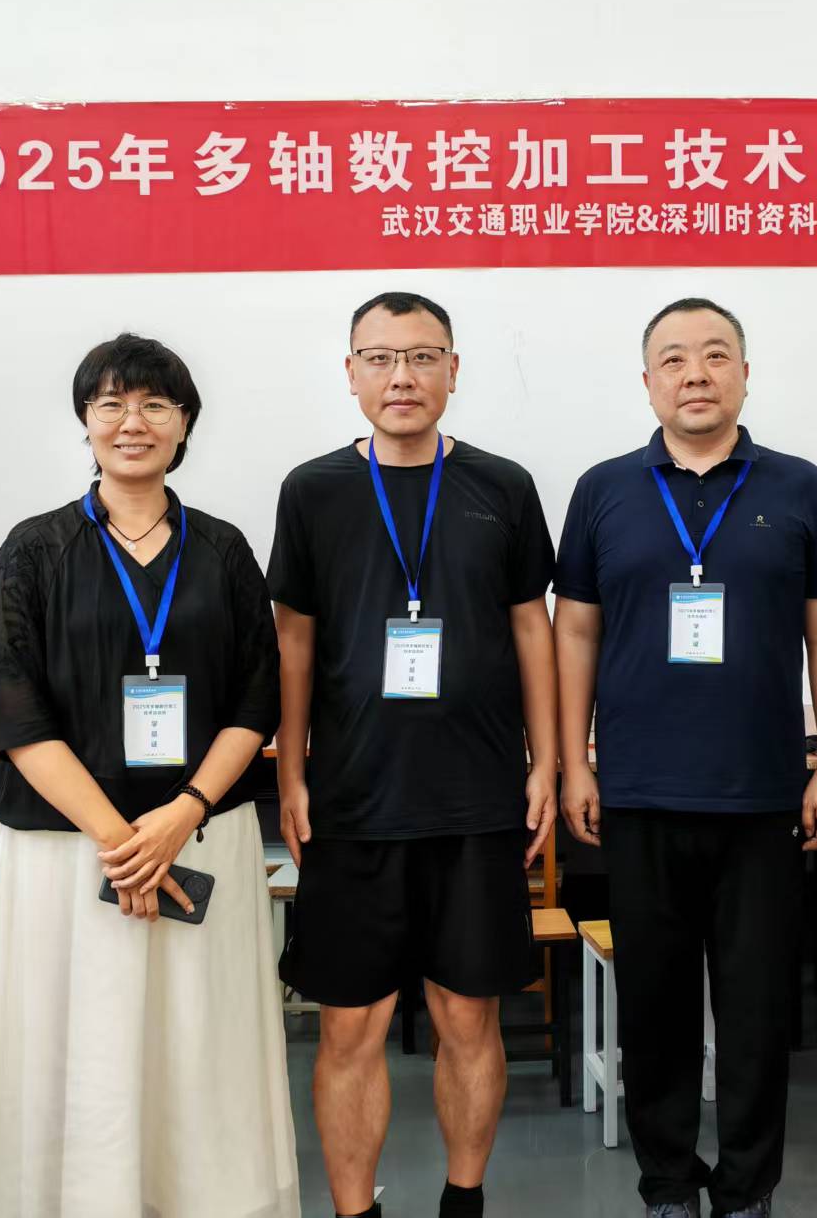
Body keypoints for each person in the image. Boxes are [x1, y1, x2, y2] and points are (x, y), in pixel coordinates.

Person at [0, 332, 299, 1218]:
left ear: (184, 425)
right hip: (68, 854)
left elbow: (257, 697)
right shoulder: (34, 549)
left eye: (154, 405)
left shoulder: (223, 550)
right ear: (86, 421)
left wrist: (180, 815)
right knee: (72, 1051)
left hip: (199, 838)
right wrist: (120, 840)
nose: (132, 422)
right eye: (111, 404)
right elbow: (12, 708)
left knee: (200, 1049)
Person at [555, 297, 817, 1218]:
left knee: (757, 1007)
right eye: (675, 358)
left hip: (763, 794)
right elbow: (575, 631)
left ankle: (748, 1187)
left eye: (716, 355)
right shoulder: (604, 489)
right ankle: (667, 1185)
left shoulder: (798, 486)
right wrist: (575, 760)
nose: (696, 373)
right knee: (655, 1007)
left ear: (745, 375)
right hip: (639, 792)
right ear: (648, 381)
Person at [268, 292, 558, 1218]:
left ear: (454, 370)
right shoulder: (313, 490)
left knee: (469, 1016)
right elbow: (294, 643)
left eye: (423, 356)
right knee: (350, 1026)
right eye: (381, 357)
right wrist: (291, 772)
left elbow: (532, 628)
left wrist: (546, 760)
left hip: (475, 799)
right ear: (351, 373)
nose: (403, 376)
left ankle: (463, 1203)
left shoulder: (502, 485)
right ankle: (356, 1211)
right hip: (354, 802)